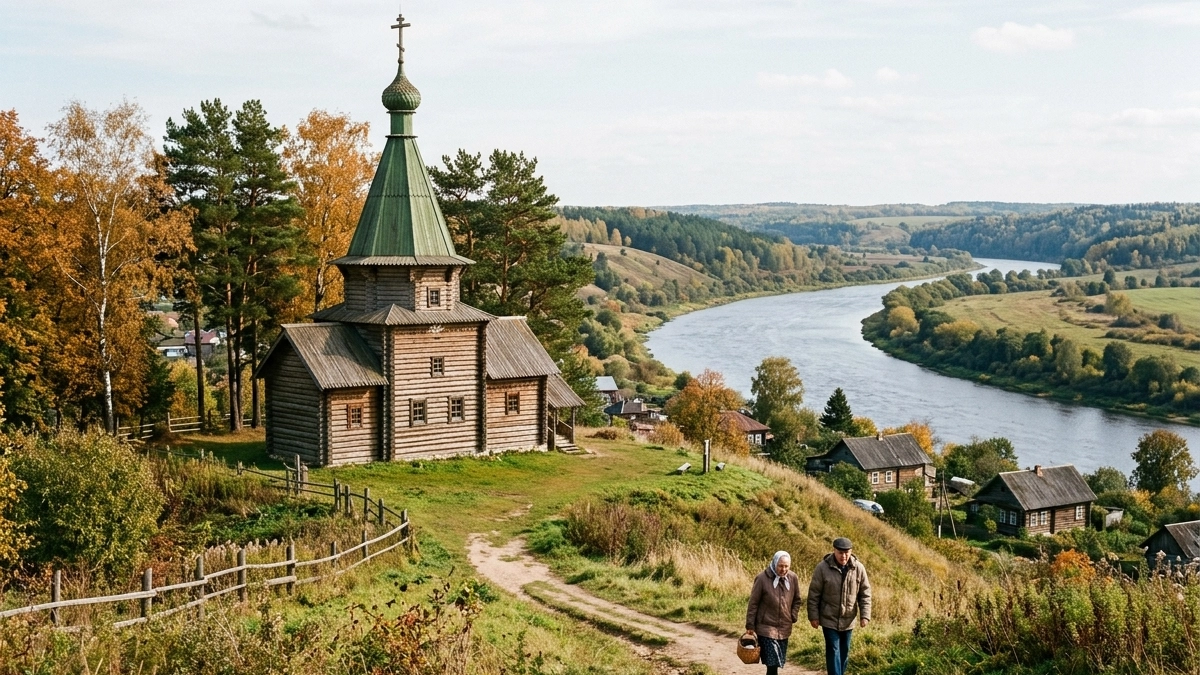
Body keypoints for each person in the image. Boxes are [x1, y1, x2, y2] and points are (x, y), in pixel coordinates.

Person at [807, 537, 871, 675]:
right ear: (834, 551)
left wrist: (865, 615)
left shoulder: (858, 568)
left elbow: (865, 593)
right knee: (833, 650)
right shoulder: (822, 568)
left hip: (848, 619)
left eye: (847, 552)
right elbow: (814, 594)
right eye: (840, 552)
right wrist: (813, 616)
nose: (844, 556)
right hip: (829, 618)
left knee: (844, 652)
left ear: (851, 551)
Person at [745, 551, 801, 675]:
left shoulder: (793, 578)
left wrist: (793, 615)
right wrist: (750, 625)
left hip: (784, 627)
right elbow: (753, 603)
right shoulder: (762, 578)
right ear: (774, 563)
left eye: (786, 566)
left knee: (777, 662)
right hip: (766, 627)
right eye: (780, 566)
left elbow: (797, 600)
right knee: (772, 662)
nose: (783, 569)